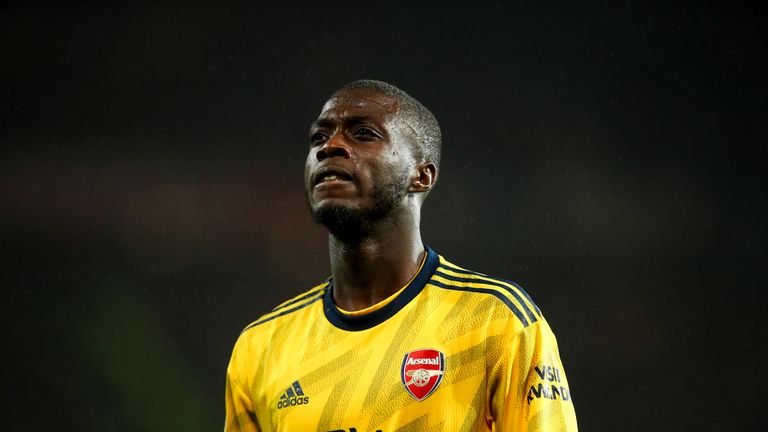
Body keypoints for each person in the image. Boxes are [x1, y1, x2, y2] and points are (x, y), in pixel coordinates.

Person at [224, 80, 578, 431]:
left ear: (421, 175)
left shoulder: (495, 321)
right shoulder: (261, 347)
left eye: (363, 133)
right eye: (319, 137)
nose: (330, 146)